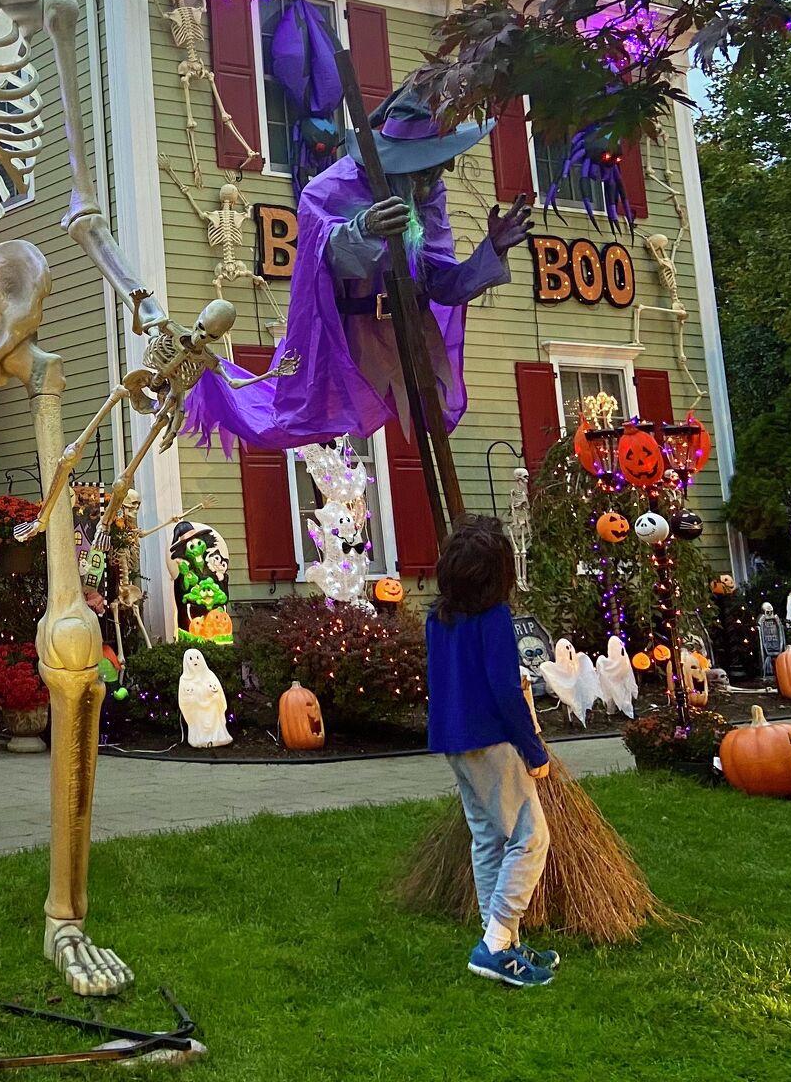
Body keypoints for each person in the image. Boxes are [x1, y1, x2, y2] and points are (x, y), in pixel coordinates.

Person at [186, 85, 532, 451]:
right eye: (431, 161)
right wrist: (363, 229)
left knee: (431, 439)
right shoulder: (329, 188)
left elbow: (443, 284)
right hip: (350, 338)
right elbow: (320, 261)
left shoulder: (428, 193)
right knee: (301, 418)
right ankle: (214, 389)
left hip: (412, 330)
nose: (444, 168)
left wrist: (490, 250)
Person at [426, 515, 557, 988]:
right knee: (530, 838)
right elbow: (505, 692)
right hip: (491, 741)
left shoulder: (438, 617)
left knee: (488, 838)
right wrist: (533, 747)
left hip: (453, 741)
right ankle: (497, 943)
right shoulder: (495, 620)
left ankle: (501, 941)